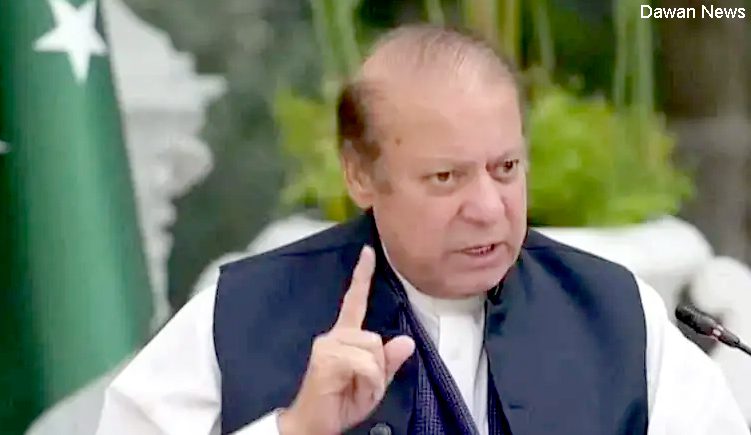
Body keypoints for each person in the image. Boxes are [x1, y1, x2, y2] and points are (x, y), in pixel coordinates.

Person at [96, 25, 750, 435]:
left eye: (505, 168)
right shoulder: (237, 314)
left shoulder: (615, 312)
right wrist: (294, 430)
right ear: (360, 173)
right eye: (445, 177)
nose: (488, 208)